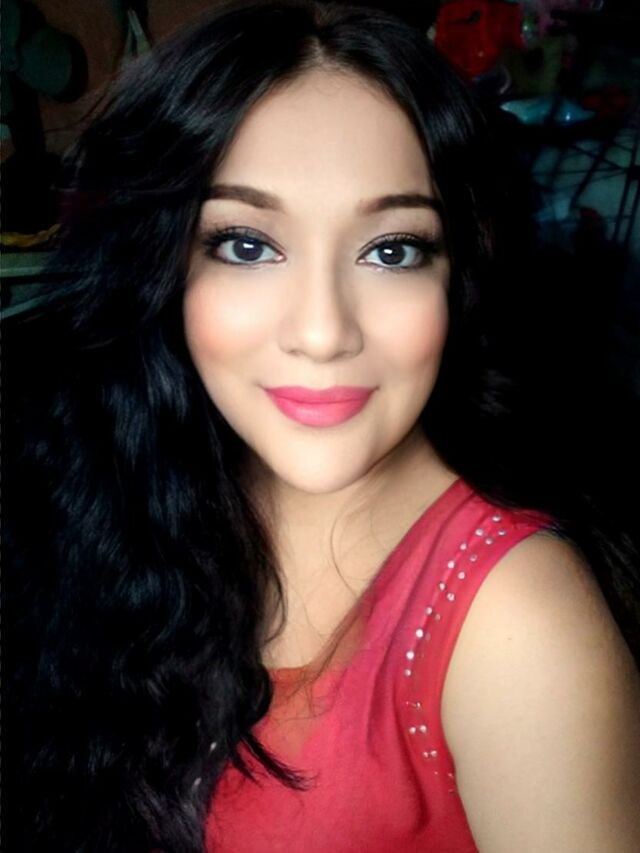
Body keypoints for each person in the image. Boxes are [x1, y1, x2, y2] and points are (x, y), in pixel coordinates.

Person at [4, 1, 640, 851]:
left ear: (458, 276)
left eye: (391, 249)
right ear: (164, 268)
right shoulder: (142, 502)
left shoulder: (518, 626)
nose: (322, 330)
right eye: (246, 245)